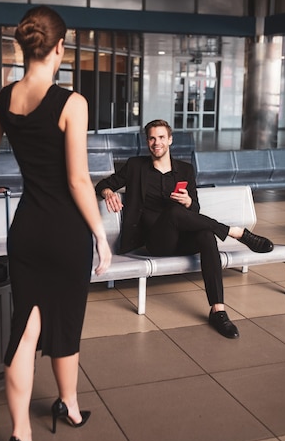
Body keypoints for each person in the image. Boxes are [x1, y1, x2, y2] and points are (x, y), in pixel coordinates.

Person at [0, 5, 112, 441]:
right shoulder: (71, 103)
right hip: (67, 231)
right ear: (59, 48)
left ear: (22, 46)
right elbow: (78, 179)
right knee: (67, 321)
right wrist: (100, 235)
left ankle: (20, 437)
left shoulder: (3, 98)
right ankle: (69, 405)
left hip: (28, 229)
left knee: (25, 328)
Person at [95, 119, 274, 340]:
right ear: (147, 141)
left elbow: (195, 211)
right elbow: (102, 184)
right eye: (151, 138)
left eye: (161, 137)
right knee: (173, 212)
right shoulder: (135, 166)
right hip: (155, 242)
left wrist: (189, 202)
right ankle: (236, 233)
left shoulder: (185, 170)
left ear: (170, 140)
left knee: (206, 234)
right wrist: (108, 193)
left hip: (183, 238)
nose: (156, 142)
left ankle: (218, 310)